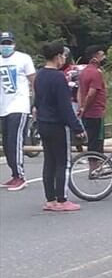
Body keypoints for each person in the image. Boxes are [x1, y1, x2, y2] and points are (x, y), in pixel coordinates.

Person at [34, 42, 86, 211]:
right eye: (62, 56)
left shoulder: (39, 75)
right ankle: (62, 199)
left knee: (49, 161)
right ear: (57, 57)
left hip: (43, 123)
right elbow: (65, 107)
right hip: (57, 124)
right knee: (62, 162)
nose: (64, 59)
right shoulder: (58, 77)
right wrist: (77, 128)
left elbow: (37, 101)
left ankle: (50, 199)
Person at [0, 31, 36, 191]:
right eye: (3, 43)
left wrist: (36, 103)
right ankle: (14, 174)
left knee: (15, 141)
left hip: (19, 106)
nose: (6, 46)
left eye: (8, 43)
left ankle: (21, 176)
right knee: (7, 143)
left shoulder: (23, 59)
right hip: (3, 107)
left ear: (14, 44)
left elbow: (34, 81)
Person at [77, 45, 107, 154]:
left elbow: (80, 91)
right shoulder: (96, 73)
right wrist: (85, 107)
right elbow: (91, 93)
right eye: (102, 55)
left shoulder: (84, 72)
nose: (104, 57)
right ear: (96, 56)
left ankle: (93, 167)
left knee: (91, 141)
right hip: (96, 113)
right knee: (97, 144)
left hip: (87, 114)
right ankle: (96, 167)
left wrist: (81, 107)